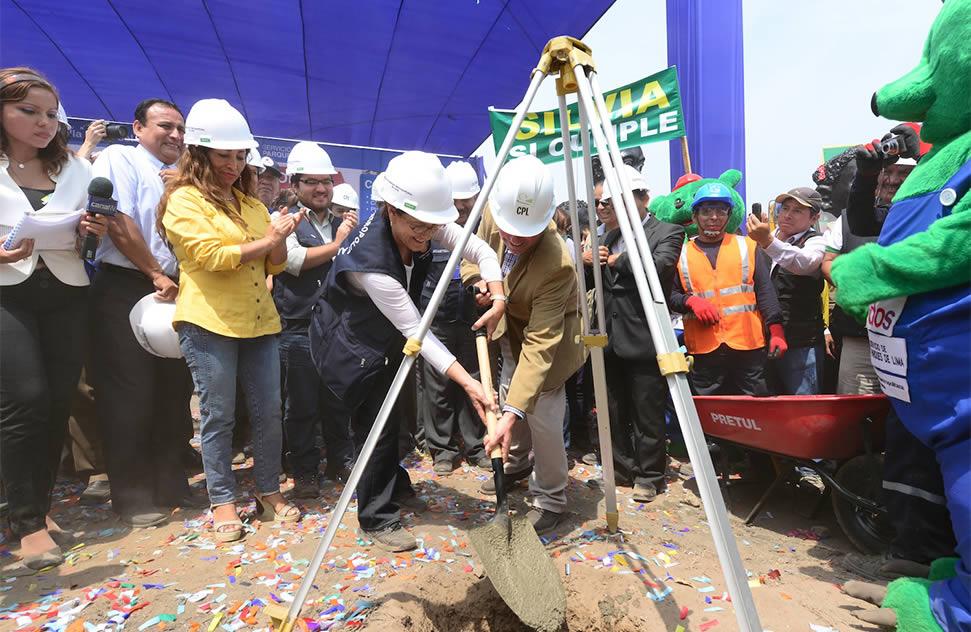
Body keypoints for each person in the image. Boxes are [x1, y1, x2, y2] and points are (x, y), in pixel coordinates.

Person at [310, 151, 503, 552]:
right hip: (353, 345)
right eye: (417, 227)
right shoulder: (371, 265)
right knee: (375, 426)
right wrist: (470, 384)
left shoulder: (428, 222)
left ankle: (393, 481)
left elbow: (482, 253)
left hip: (391, 339)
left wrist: (496, 291)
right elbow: (417, 329)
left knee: (396, 419)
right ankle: (377, 516)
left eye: (433, 227)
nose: (426, 236)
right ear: (391, 210)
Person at [159, 98, 303, 542]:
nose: (233, 163)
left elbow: (275, 265)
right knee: (218, 416)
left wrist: (279, 238)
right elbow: (210, 256)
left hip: (260, 322)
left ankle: (267, 491)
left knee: (268, 414)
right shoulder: (184, 200)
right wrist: (268, 242)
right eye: (224, 155)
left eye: (240, 155)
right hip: (209, 323)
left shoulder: (253, 205)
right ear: (199, 153)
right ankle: (222, 502)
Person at [0, 67, 109, 569]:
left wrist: (92, 227)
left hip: (66, 291)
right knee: (26, 398)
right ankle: (24, 523)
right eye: (28, 111)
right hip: (7, 295)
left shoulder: (75, 169)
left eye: (49, 114)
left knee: (57, 401)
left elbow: (93, 232)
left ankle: (37, 509)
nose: (44, 123)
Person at [88, 97, 199, 528]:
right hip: (129, 285)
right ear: (137, 127)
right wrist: (154, 272)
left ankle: (172, 482)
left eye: (181, 129)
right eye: (165, 126)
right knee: (128, 394)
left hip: (177, 290)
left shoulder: (183, 175)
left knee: (173, 392)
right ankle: (132, 493)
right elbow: (116, 220)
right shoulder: (120, 158)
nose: (175, 135)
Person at [463, 155, 586, 536]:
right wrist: (480, 284)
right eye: (509, 229)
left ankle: (551, 498)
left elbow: (540, 344)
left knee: (542, 413)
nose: (514, 238)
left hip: (548, 341)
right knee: (506, 390)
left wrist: (512, 414)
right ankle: (515, 463)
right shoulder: (491, 212)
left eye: (525, 233)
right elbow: (473, 256)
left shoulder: (557, 263)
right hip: (509, 330)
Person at [592, 165, 685, 502]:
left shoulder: (668, 231)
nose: (607, 209)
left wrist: (615, 260)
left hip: (646, 338)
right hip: (610, 338)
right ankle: (620, 469)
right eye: (603, 204)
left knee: (647, 411)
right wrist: (590, 262)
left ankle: (649, 475)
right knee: (613, 409)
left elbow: (658, 265)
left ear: (643, 198)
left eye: (615, 201)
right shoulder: (605, 235)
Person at [273, 141, 358, 498]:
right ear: (294, 184)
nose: (321, 188)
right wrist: (338, 245)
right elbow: (292, 263)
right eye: (311, 182)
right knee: (301, 407)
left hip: (338, 329)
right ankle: (305, 470)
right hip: (298, 329)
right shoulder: (283, 222)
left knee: (338, 402)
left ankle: (341, 462)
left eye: (326, 181)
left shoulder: (345, 223)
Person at [669, 182, 786, 395]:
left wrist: (776, 329)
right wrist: (691, 302)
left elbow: (765, 292)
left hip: (748, 347)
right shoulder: (681, 254)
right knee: (711, 415)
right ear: (694, 217)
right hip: (705, 351)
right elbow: (671, 296)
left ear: (729, 215)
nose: (714, 217)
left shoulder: (748, 247)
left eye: (721, 211)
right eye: (706, 211)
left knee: (755, 413)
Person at [419, 161, 489, 475]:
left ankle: (475, 446)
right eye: (457, 202)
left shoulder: (484, 229)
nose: (462, 208)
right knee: (437, 387)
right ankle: (442, 450)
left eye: (467, 202)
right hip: (436, 319)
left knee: (474, 380)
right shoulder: (432, 229)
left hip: (473, 319)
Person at [746, 187, 826, 395]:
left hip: (800, 343)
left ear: (814, 217)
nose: (788, 215)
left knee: (804, 406)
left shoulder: (816, 241)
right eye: (785, 208)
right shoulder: (763, 238)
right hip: (760, 340)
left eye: (798, 210)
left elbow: (803, 262)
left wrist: (767, 242)